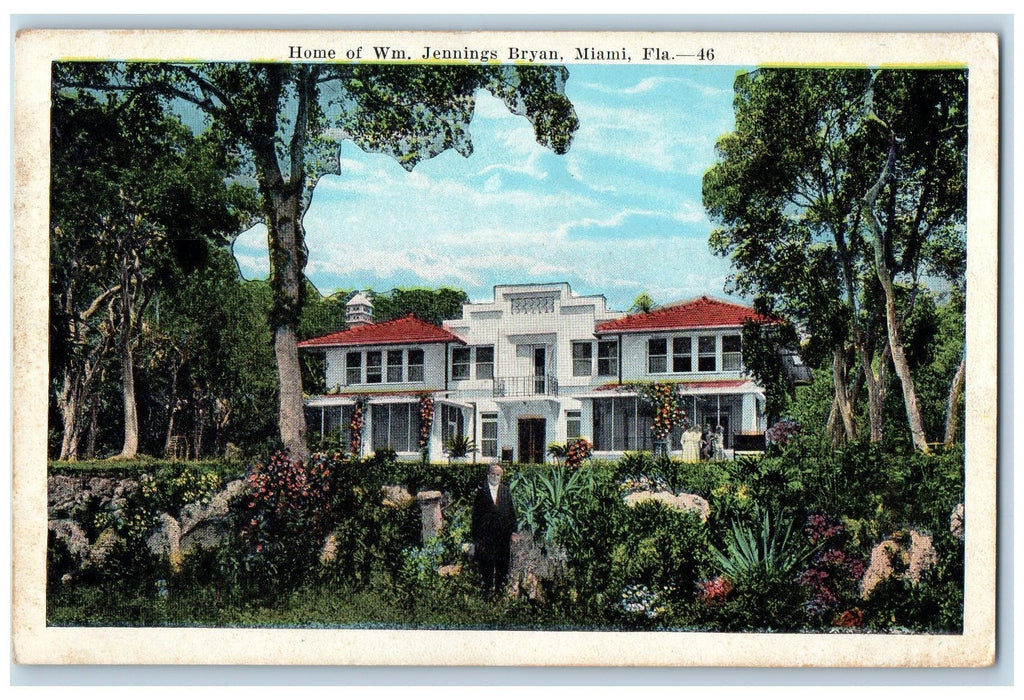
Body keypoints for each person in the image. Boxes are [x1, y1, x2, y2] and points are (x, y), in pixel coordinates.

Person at [471, 464, 520, 599]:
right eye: (493, 474)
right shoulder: (482, 492)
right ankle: (486, 592)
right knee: (486, 563)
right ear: (488, 475)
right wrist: (475, 537)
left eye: (498, 475)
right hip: (486, 536)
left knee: (502, 563)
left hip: (502, 535)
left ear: (501, 476)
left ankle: (500, 592)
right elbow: (475, 515)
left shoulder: (505, 491)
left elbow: (511, 513)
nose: (495, 477)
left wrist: (514, 532)